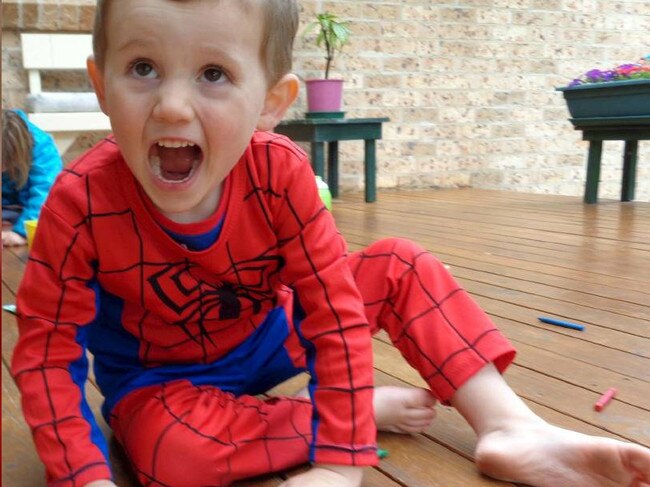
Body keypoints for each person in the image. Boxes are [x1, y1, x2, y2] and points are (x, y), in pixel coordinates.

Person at [10, 1, 650, 487]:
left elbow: (336, 313)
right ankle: (351, 409)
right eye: (142, 68)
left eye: (213, 73)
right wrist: (85, 477)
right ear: (101, 82)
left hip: (268, 337)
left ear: (271, 100)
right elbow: (45, 357)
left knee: (399, 263)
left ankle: (509, 426)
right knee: (164, 452)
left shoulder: (280, 173)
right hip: (161, 382)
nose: (174, 105)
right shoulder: (80, 201)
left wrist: (341, 466)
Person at [2, 108, 63, 247]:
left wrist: (20, 233)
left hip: (26, 209)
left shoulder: (42, 146)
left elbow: (45, 192)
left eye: (6, 161)